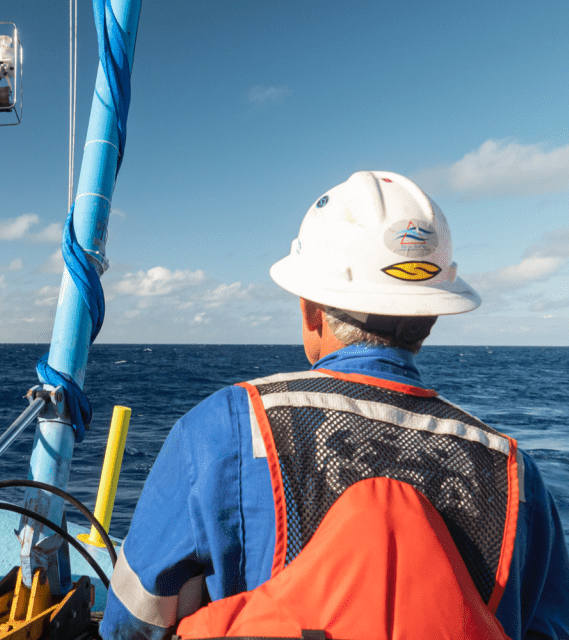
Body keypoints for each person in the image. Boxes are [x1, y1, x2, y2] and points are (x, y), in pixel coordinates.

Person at [100, 172, 569, 639]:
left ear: (311, 308)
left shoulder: (227, 427)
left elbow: (133, 623)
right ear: (430, 316)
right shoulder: (516, 473)